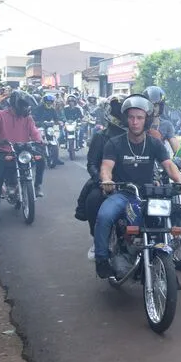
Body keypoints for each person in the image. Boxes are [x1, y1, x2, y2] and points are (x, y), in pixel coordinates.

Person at [93, 96, 181, 278]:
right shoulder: (114, 143)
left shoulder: (154, 143)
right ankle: (101, 258)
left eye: (139, 117)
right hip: (123, 193)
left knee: (163, 222)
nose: (135, 122)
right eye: (131, 117)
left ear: (146, 120)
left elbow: (169, 165)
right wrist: (107, 181)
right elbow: (106, 167)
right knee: (104, 216)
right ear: (125, 119)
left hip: (149, 195)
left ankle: (163, 263)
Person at [75, 97, 128, 258]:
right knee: (93, 200)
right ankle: (97, 239)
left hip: (131, 182)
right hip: (106, 181)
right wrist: (101, 179)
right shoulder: (100, 136)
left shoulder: (135, 137)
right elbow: (91, 163)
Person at [0, 92, 45, 214]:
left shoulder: (28, 118)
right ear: (16, 104)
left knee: (40, 158)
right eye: (24, 105)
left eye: (27, 106)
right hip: (6, 151)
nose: (26, 108)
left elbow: (34, 131)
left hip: (24, 149)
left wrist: (40, 140)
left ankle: (37, 186)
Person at [33, 94, 65, 166]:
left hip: (49, 127)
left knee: (55, 140)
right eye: (48, 102)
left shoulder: (52, 109)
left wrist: (59, 122)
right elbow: (33, 117)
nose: (49, 103)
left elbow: (56, 118)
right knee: (37, 141)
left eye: (50, 102)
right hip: (40, 126)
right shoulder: (38, 108)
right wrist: (37, 122)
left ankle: (56, 158)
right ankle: (34, 157)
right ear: (44, 102)